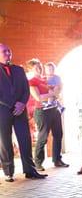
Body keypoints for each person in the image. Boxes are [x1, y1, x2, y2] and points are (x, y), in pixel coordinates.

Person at [0, 44, 47, 181]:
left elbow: (26, 90)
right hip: (2, 110)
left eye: (9, 50)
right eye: (4, 51)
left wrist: (21, 103)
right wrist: (11, 104)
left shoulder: (19, 70)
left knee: (25, 139)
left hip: (20, 110)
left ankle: (30, 170)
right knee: (5, 141)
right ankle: (9, 172)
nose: (8, 53)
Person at [26, 59, 68, 171]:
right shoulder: (32, 81)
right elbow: (38, 97)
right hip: (42, 112)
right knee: (43, 137)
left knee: (58, 134)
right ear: (30, 69)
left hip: (54, 110)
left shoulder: (45, 79)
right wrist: (51, 93)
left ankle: (57, 160)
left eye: (40, 66)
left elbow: (57, 90)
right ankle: (38, 163)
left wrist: (53, 93)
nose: (39, 69)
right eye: (36, 67)